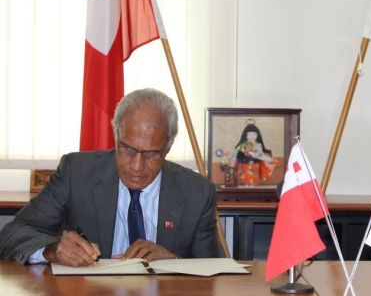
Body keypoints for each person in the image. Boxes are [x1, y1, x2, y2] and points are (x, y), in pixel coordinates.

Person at [0, 88, 225, 266]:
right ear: (115, 136)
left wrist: (174, 263)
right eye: (126, 149)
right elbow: (13, 233)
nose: (137, 166)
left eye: (150, 154)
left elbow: (213, 272)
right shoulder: (76, 173)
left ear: (167, 148)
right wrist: (52, 250)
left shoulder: (197, 192)